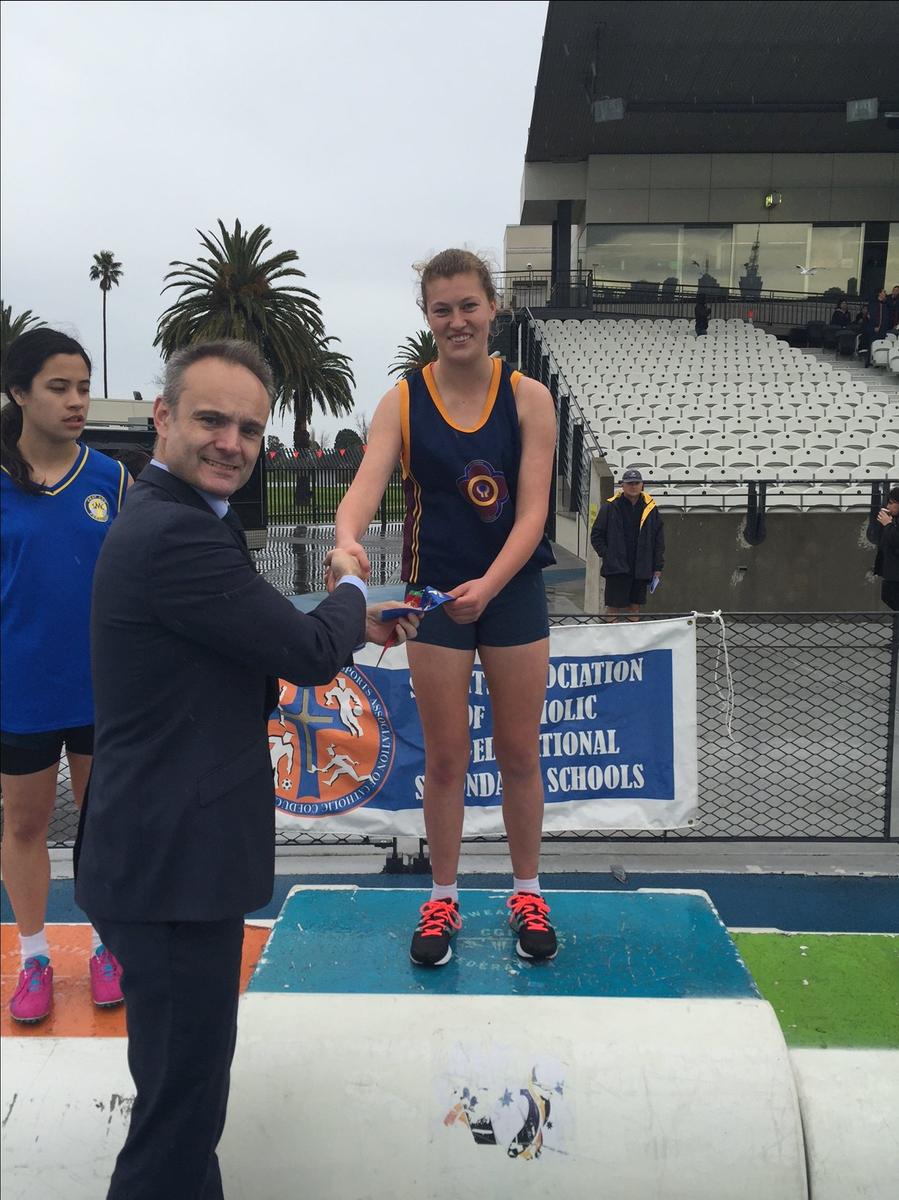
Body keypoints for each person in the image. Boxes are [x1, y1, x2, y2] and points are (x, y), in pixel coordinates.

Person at [74, 339, 417, 1200]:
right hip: (173, 871)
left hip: (159, 859)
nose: (232, 442)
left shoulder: (175, 520)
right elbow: (304, 651)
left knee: (184, 1103)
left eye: (250, 429)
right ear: (163, 418)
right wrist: (349, 588)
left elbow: (246, 635)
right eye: (211, 419)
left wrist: (348, 623)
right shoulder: (177, 534)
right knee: (177, 1122)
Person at [334, 248, 559, 969]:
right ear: (426, 317)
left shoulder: (529, 398)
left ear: (492, 308)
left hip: (510, 589)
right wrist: (345, 539)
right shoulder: (402, 400)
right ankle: (442, 896)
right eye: (442, 309)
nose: (456, 320)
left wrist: (489, 585)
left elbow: (532, 514)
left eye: (468, 306)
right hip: (431, 593)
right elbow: (365, 486)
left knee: (519, 751)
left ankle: (527, 892)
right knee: (447, 757)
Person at [1, 328, 129, 1023]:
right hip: (18, 690)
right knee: (23, 825)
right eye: (59, 387)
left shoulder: (113, 480)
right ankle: (34, 958)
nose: (77, 400)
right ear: (19, 392)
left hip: (100, 689)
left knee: (101, 824)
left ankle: (109, 947)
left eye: (82, 387)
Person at [590, 469, 665, 621]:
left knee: (635, 608)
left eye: (636, 483)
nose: (633, 486)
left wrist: (657, 567)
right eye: (629, 483)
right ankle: (612, 635)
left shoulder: (651, 509)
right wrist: (608, 555)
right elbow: (596, 535)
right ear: (622, 485)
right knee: (613, 608)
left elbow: (658, 540)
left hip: (641, 567)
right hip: (616, 568)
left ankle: (633, 636)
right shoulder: (610, 507)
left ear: (642, 485)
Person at [867, 486, 899, 612]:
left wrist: (888, 525)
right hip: (891, 573)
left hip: (895, 575)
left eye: (891, 503)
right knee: (888, 597)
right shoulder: (893, 520)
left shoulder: (891, 523)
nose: (888, 506)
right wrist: (884, 524)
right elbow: (879, 539)